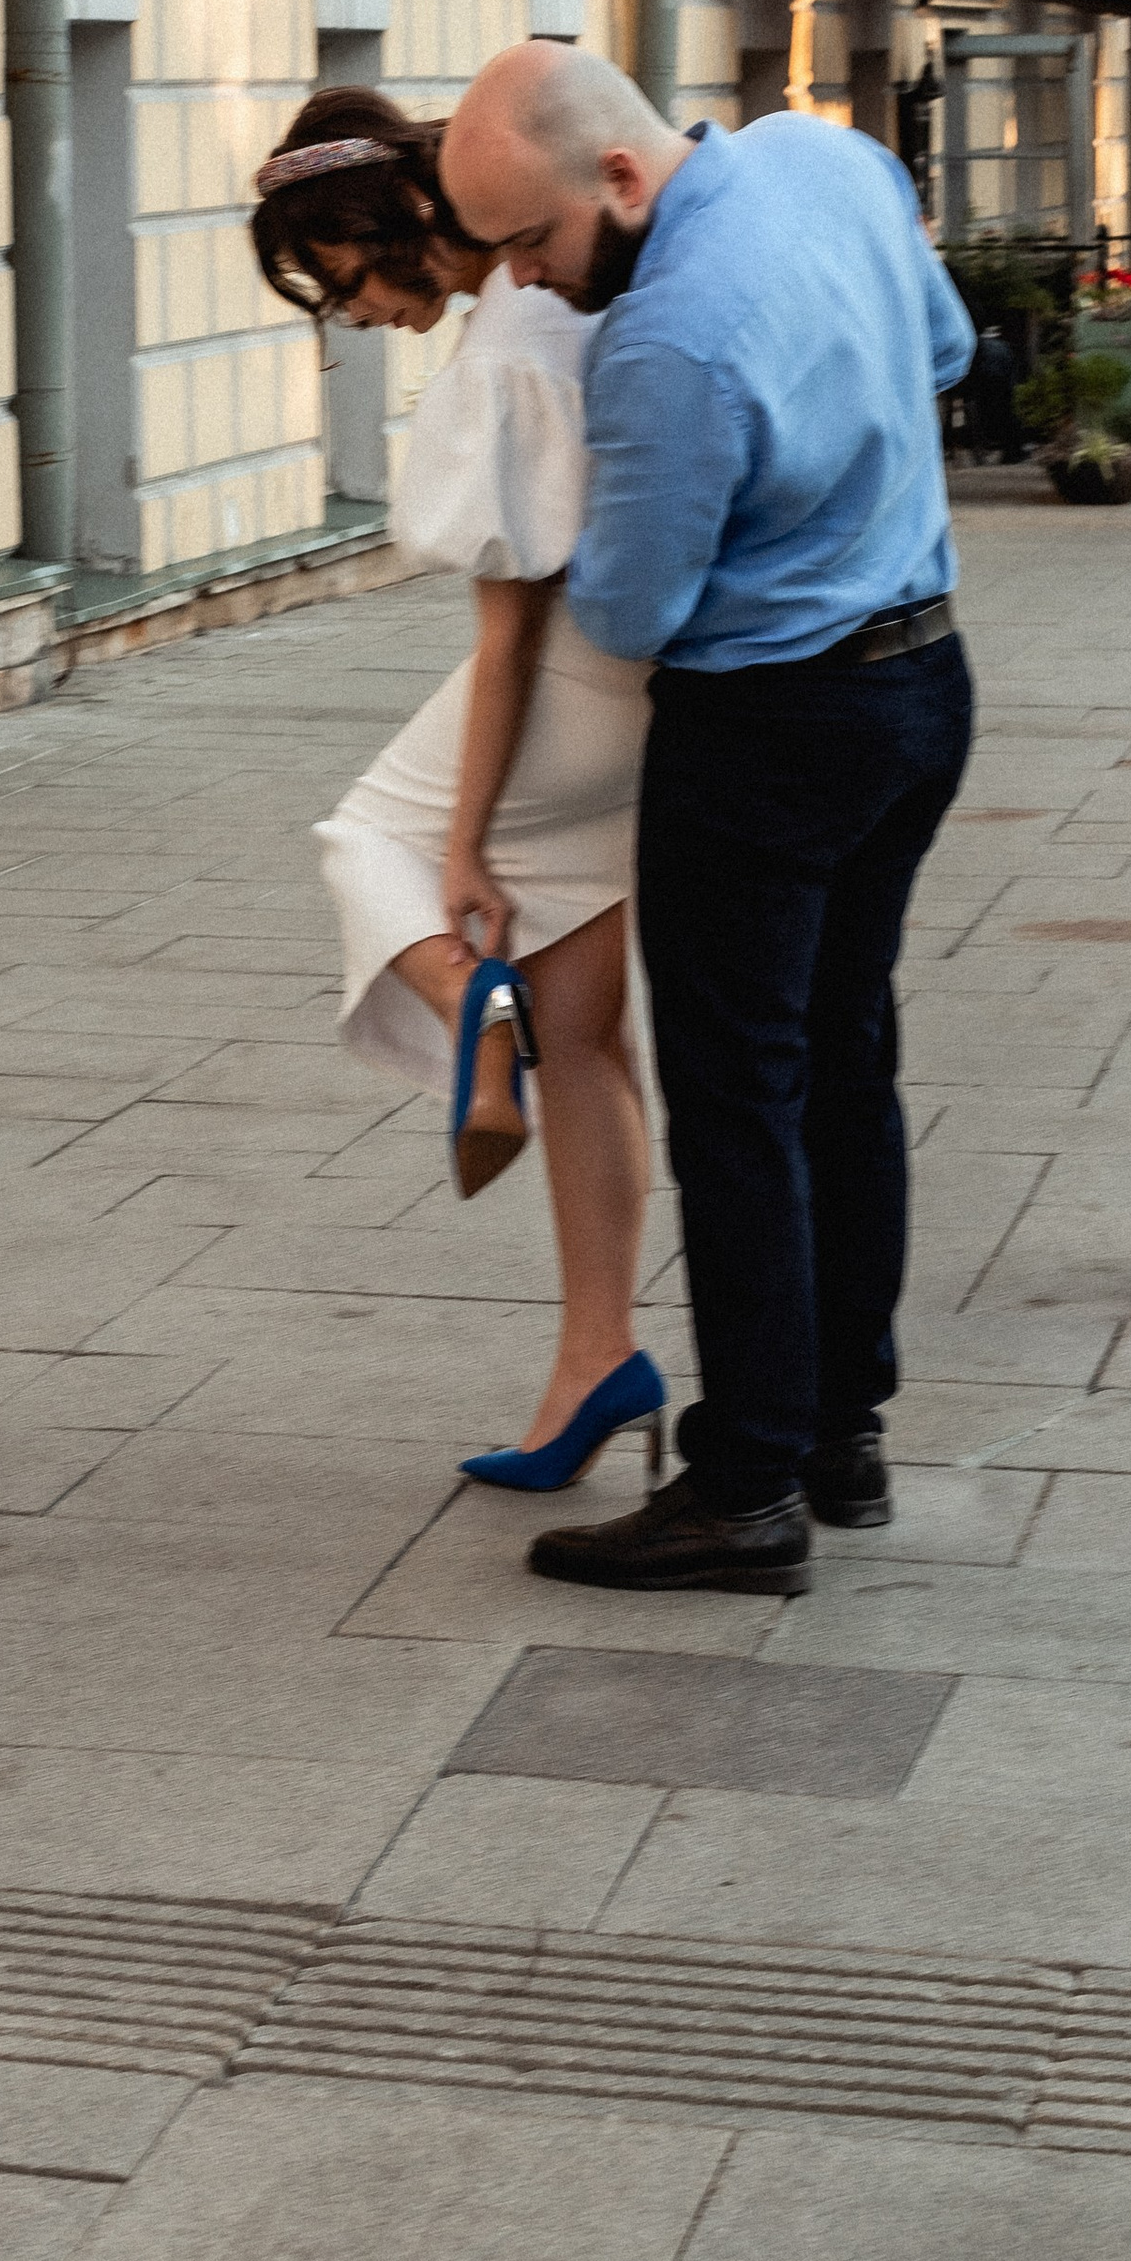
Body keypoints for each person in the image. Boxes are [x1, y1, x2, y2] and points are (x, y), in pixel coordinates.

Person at [440, 44, 976, 1597]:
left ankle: (743, 1483)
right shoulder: (830, 159)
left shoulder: (666, 338)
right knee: (846, 1060)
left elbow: (628, 604)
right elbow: (938, 352)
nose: (529, 283)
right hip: (923, 681)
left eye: (532, 245)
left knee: (739, 1098)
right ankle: (840, 1434)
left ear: (616, 177)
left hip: (768, 730)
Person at [250, 85, 660, 1491]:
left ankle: (465, 1008)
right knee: (592, 1040)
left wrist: (467, 845)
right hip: (654, 693)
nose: (353, 315)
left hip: (579, 689)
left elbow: (510, 633)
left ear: (407, 223)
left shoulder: (509, 343)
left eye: (349, 278)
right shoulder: (570, 304)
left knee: (369, 836)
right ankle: (595, 1358)